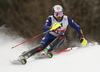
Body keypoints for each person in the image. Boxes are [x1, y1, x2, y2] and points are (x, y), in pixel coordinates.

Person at [18, 5, 87, 64]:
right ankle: (24, 55)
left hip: (58, 39)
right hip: (49, 36)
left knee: (62, 37)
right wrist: (51, 28)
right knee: (40, 47)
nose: (59, 16)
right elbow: (45, 28)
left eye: (60, 14)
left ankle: (46, 50)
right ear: (53, 14)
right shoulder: (50, 18)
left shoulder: (66, 19)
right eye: (56, 14)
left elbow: (77, 27)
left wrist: (81, 37)